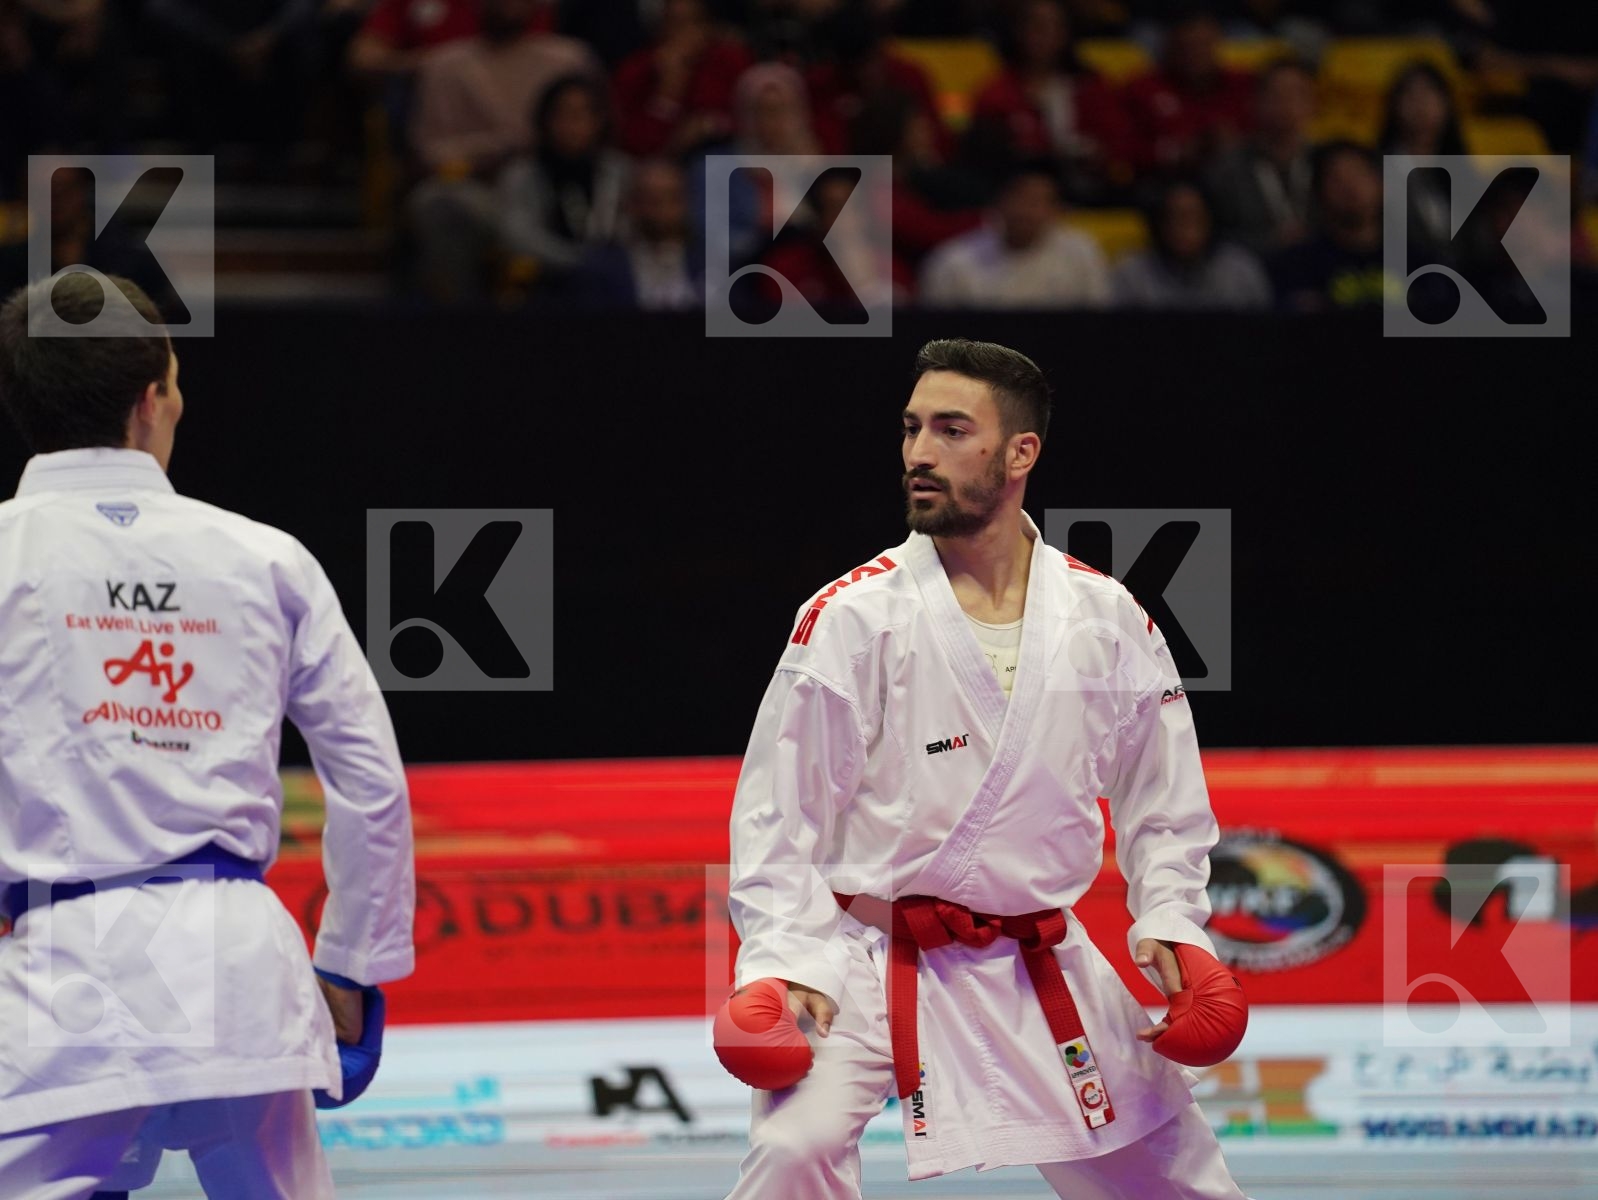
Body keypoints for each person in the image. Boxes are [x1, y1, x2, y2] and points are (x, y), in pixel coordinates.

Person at [724, 337, 1249, 1199]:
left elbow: (1164, 799)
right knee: (793, 1152)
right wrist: (779, 965)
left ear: (1020, 453)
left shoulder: (1104, 616)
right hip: (867, 954)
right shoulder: (853, 616)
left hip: (1036, 955)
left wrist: (1174, 921)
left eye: (950, 430)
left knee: (1179, 1179)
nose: (919, 452)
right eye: (911, 429)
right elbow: (780, 816)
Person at [0, 273, 416, 1198]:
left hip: (62, 973)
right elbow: (370, 780)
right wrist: (351, 963)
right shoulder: (263, 557)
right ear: (153, 399)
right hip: (241, 969)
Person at [919, 160, 1110, 307]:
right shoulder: (953, 262)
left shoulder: (1082, 254)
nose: (1026, 212)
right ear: (999, 202)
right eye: (1019, 198)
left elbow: (1099, 323)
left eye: (1037, 202)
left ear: (1056, 210)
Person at [1204, 58, 1317, 257]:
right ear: (1255, 102)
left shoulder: (1327, 162)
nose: (1286, 103)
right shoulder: (1226, 168)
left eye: (1296, 94)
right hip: (1251, 269)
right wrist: (1268, 242)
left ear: (1312, 104)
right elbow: (1213, 236)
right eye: (1276, 95)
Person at [1112, 175, 1271, 309]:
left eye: (1195, 218)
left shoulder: (1240, 272)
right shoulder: (1131, 275)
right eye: (1176, 218)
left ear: (1210, 221)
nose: (1185, 228)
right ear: (1159, 223)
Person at [1267, 140, 1388, 312]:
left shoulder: (1417, 261)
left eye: (1359, 174)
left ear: (1381, 185)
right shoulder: (1297, 266)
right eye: (1337, 179)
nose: (1350, 187)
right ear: (1318, 192)